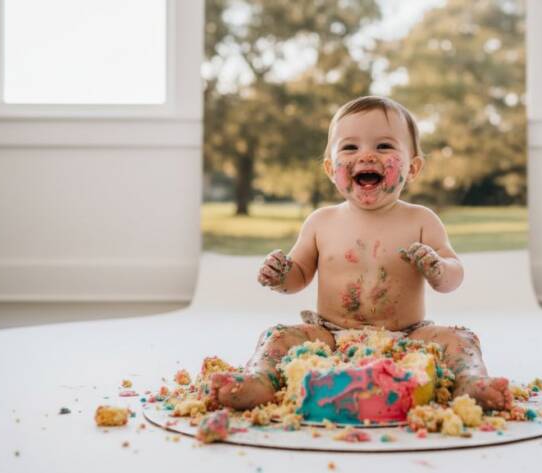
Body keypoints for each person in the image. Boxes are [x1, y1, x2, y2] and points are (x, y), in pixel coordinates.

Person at [209, 96, 512, 413]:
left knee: (460, 339)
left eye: (384, 146)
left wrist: (438, 269)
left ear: (414, 167)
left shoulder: (422, 220)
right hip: (328, 337)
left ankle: (472, 382)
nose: (366, 155)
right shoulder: (320, 222)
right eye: (350, 148)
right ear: (330, 168)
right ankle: (258, 380)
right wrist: (281, 275)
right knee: (277, 337)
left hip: (408, 337)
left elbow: (453, 275)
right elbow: (297, 277)